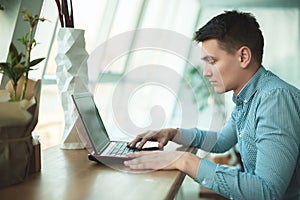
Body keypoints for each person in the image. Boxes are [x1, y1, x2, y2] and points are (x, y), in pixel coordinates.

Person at [124, 10, 300, 200]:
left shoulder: (275, 99)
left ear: (243, 57)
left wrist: (185, 160)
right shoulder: (248, 98)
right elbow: (222, 140)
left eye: (212, 61)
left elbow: (267, 192)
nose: (206, 73)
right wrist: (173, 133)